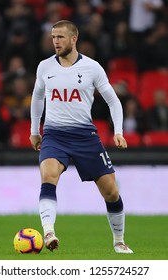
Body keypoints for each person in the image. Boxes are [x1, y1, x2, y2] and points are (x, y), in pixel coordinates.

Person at [29, 20, 133, 254]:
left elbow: (113, 100)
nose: (55, 41)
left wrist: (118, 131)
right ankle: (49, 233)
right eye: (53, 37)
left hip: (85, 136)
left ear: (74, 39)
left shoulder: (92, 68)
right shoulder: (45, 67)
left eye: (60, 37)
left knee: (111, 191)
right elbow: (37, 98)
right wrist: (35, 131)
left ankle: (119, 241)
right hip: (54, 134)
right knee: (48, 176)